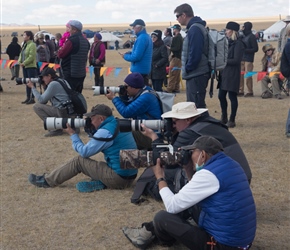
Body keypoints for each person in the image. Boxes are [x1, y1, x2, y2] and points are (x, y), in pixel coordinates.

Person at [123, 135, 256, 250]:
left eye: (192, 152)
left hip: (224, 245)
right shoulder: (231, 164)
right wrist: (188, 169)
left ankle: (162, 238)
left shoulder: (208, 174)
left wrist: (159, 177)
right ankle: (149, 231)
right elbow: (193, 192)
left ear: (203, 154)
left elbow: (172, 206)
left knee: (162, 218)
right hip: (242, 241)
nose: (190, 156)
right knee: (187, 202)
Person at [28, 104, 138, 193]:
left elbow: (84, 152)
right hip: (130, 175)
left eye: (92, 118)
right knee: (100, 163)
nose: (90, 121)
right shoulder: (117, 123)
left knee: (79, 161)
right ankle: (103, 180)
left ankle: (47, 181)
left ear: (101, 118)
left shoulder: (105, 132)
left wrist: (73, 134)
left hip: (119, 179)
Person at [105, 72, 162, 150]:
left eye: (126, 86)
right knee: (120, 125)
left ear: (134, 87)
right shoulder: (144, 90)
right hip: (146, 129)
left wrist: (114, 98)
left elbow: (126, 112)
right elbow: (131, 107)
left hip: (151, 135)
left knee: (120, 131)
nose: (124, 88)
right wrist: (123, 96)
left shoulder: (146, 98)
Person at [174, 3, 210, 108]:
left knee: (196, 107)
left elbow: (195, 53)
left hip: (197, 73)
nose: (177, 19)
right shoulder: (195, 28)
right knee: (196, 106)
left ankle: (205, 124)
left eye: (177, 16)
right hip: (197, 72)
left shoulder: (195, 29)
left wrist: (188, 68)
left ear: (184, 15)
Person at [26, 67, 72, 137]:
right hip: (70, 111)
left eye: (44, 77)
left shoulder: (53, 84)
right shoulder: (62, 81)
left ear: (49, 76)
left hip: (62, 112)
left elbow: (41, 100)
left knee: (36, 106)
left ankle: (55, 129)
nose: (43, 79)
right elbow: (45, 101)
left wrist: (32, 87)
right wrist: (45, 87)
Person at [218, 22, 245, 128]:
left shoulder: (238, 44)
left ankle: (232, 119)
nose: (226, 31)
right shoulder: (227, 42)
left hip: (232, 73)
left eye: (227, 30)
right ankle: (223, 116)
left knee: (232, 96)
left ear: (232, 31)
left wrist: (224, 61)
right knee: (221, 95)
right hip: (224, 73)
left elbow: (236, 60)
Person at [58, 20, 90, 93]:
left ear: (74, 30)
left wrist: (59, 50)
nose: (68, 30)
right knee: (78, 94)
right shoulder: (86, 41)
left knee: (69, 94)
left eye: (69, 28)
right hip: (81, 73)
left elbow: (61, 54)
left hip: (71, 73)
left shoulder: (72, 40)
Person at [120, 19, 152, 86]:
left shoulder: (141, 38)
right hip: (143, 71)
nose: (133, 28)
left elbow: (136, 57)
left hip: (139, 72)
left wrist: (125, 56)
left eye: (134, 26)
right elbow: (141, 52)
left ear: (139, 27)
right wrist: (130, 52)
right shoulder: (146, 37)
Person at [239, 21, 259, 97]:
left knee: (248, 76)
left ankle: (249, 91)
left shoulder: (251, 37)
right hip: (241, 58)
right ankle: (241, 90)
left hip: (248, 59)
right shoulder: (242, 36)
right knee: (240, 75)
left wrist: (245, 50)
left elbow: (255, 48)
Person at [18, 30, 38, 104]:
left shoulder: (32, 45)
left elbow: (31, 56)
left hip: (31, 66)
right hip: (25, 66)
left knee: (31, 81)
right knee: (26, 82)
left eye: (24, 35)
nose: (23, 36)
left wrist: (24, 63)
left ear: (29, 36)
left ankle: (32, 97)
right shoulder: (25, 44)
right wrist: (20, 62)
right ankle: (28, 97)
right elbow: (21, 54)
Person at [166, 24, 183, 93]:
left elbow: (177, 48)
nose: (173, 30)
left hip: (175, 58)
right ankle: (176, 87)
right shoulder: (180, 37)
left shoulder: (177, 38)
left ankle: (170, 89)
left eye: (174, 29)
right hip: (179, 58)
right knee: (177, 73)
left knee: (172, 73)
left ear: (176, 29)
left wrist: (170, 48)